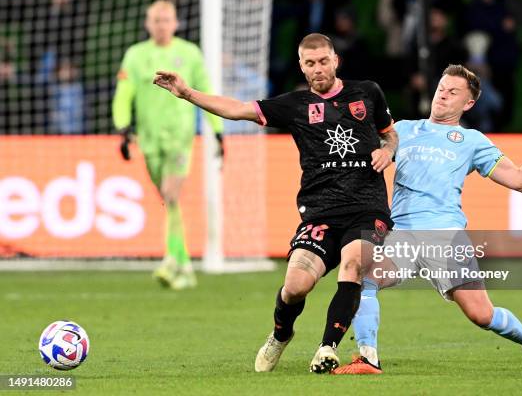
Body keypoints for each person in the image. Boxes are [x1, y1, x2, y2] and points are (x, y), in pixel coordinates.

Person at [153, 33, 398, 373]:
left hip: (367, 208)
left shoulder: (367, 92)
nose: (317, 69)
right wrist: (187, 93)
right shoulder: (294, 105)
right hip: (320, 211)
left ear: (335, 60)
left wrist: (387, 151)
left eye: (323, 61)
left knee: (354, 263)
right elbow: (238, 110)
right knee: (295, 287)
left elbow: (390, 133)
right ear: (301, 65)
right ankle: (281, 334)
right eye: (310, 63)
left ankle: (327, 348)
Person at [333, 64, 522, 374]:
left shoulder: (473, 141)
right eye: (441, 89)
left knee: (482, 315)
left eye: (453, 92)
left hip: (445, 236)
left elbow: (520, 180)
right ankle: (368, 358)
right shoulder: (403, 130)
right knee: (362, 277)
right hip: (400, 234)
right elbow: (365, 153)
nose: (443, 96)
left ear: (468, 103)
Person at [112, 0, 223, 290]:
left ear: (175, 23)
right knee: (167, 200)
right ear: (147, 24)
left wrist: (218, 131)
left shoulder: (189, 53)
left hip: (179, 137)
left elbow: (206, 91)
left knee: (171, 195)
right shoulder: (135, 55)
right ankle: (184, 263)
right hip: (148, 140)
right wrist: (123, 128)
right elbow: (124, 93)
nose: (161, 25)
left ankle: (170, 260)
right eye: (156, 20)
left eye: (166, 20)